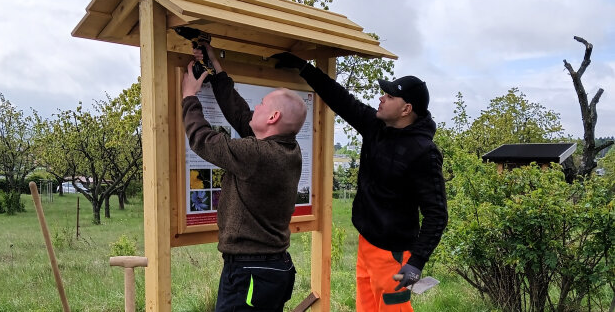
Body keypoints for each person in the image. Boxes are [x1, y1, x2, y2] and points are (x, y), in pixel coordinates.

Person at [271, 52, 448, 312]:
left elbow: (437, 214)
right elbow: (340, 99)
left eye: (389, 95)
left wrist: (416, 262)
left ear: (406, 109)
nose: (381, 98)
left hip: (394, 255)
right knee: (365, 307)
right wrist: (303, 67)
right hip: (367, 243)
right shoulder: (375, 127)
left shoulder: (424, 152)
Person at [181, 44, 308, 311]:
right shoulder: (289, 149)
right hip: (272, 268)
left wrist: (190, 96)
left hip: (251, 272)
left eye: (262, 104)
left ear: (273, 117)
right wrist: (215, 68)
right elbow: (242, 116)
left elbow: (203, 140)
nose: (256, 108)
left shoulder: (258, 155)